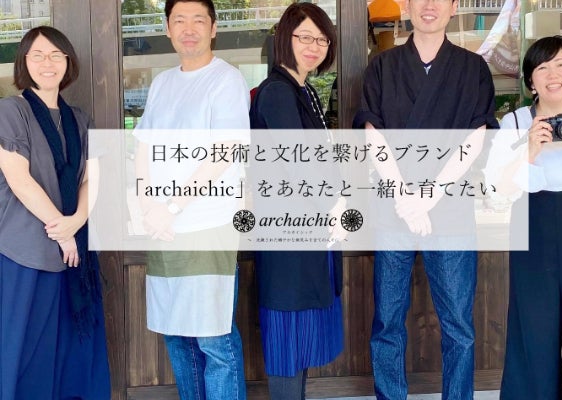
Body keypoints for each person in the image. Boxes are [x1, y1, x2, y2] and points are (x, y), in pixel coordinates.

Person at [353, 0, 498, 399]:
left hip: (450, 210)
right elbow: (372, 133)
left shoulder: (472, 68)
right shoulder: (382, 66)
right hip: (393, 209)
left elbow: (476, 137)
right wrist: (405, 197)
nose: (429, 5)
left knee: (459, 327)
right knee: (387, 323)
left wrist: (428, 196)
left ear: (453, 7)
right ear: (407, 6)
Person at [133, 0, 249, 399]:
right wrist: (148, 206)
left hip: (207, 224)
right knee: (176, 334)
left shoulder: (226, 79)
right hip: (164, 228)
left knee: (213, 337)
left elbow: (225, 151)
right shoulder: (163, 82)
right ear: (167, 29)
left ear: (213, 28)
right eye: (179, 20)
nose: (188, 28)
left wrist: (171, 207)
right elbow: (144, 147)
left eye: (198, 20)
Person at [0, 26, 110, 400]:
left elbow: (92, 177)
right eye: (37, 55)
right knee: (26, 352)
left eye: (55, 55)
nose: (47, 63)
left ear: (68, 62)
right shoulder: (10, 111)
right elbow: (20, 180)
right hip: (25, 253)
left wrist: (76, 222)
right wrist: (63, 232)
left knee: (72, 354)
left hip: (74, 254)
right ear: (24, 62)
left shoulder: (79, 118)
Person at [491, 36, 562, 400]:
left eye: (561, 65)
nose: (553, 74)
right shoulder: (514, 122)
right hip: (532, 242)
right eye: (542, 67)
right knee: (533, 337)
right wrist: (528, 152)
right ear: (530, 81)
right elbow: (499, 192)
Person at [249, 3, 343, 400]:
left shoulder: (303, 90)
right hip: (288, 238)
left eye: (321, 40)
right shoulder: (276, 92)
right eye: (304, 36)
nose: (313, 46)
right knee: (287, 343)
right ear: (284, 38)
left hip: (308, 234)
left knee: (300, 342)